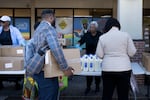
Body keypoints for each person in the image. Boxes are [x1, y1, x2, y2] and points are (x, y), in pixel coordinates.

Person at [30, 9, 74, 100]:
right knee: (49, 94)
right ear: (51, 17)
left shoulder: (38, 29)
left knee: (48, 93)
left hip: (39, 68)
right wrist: (65, 68)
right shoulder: (48, 28)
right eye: (54, 18)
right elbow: (56, 49)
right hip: (45, 69)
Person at [96, 18, 136, 100]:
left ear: (107, 26)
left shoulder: (102, 37)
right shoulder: (126, 35)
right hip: (124, 69)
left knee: (107, 95)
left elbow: (99, 55)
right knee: (123, 96)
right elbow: (132, 53)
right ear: (118, 26)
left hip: (107, 69)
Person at [0, 15, 25, 89]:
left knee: (13, 66)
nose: (1, 23)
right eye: (1, 21)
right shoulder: (0, 29)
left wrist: (22, 45)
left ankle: (16, 83)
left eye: (3, 22)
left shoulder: (14, 30)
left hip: (12, 52)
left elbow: (20, 39)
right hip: (2, 52)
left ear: (7, 22)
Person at [78, 21, 102, 95]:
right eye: (91, 27)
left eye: (93, 27)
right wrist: (77, 47)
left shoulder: (100, 35)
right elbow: (80, 42)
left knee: (97, 73)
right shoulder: (87, 34)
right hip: (88, 57)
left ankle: (97, 87)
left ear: (96, 28)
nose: (92, 28)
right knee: (89, 74)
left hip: (98, 57)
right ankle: (88, 87)